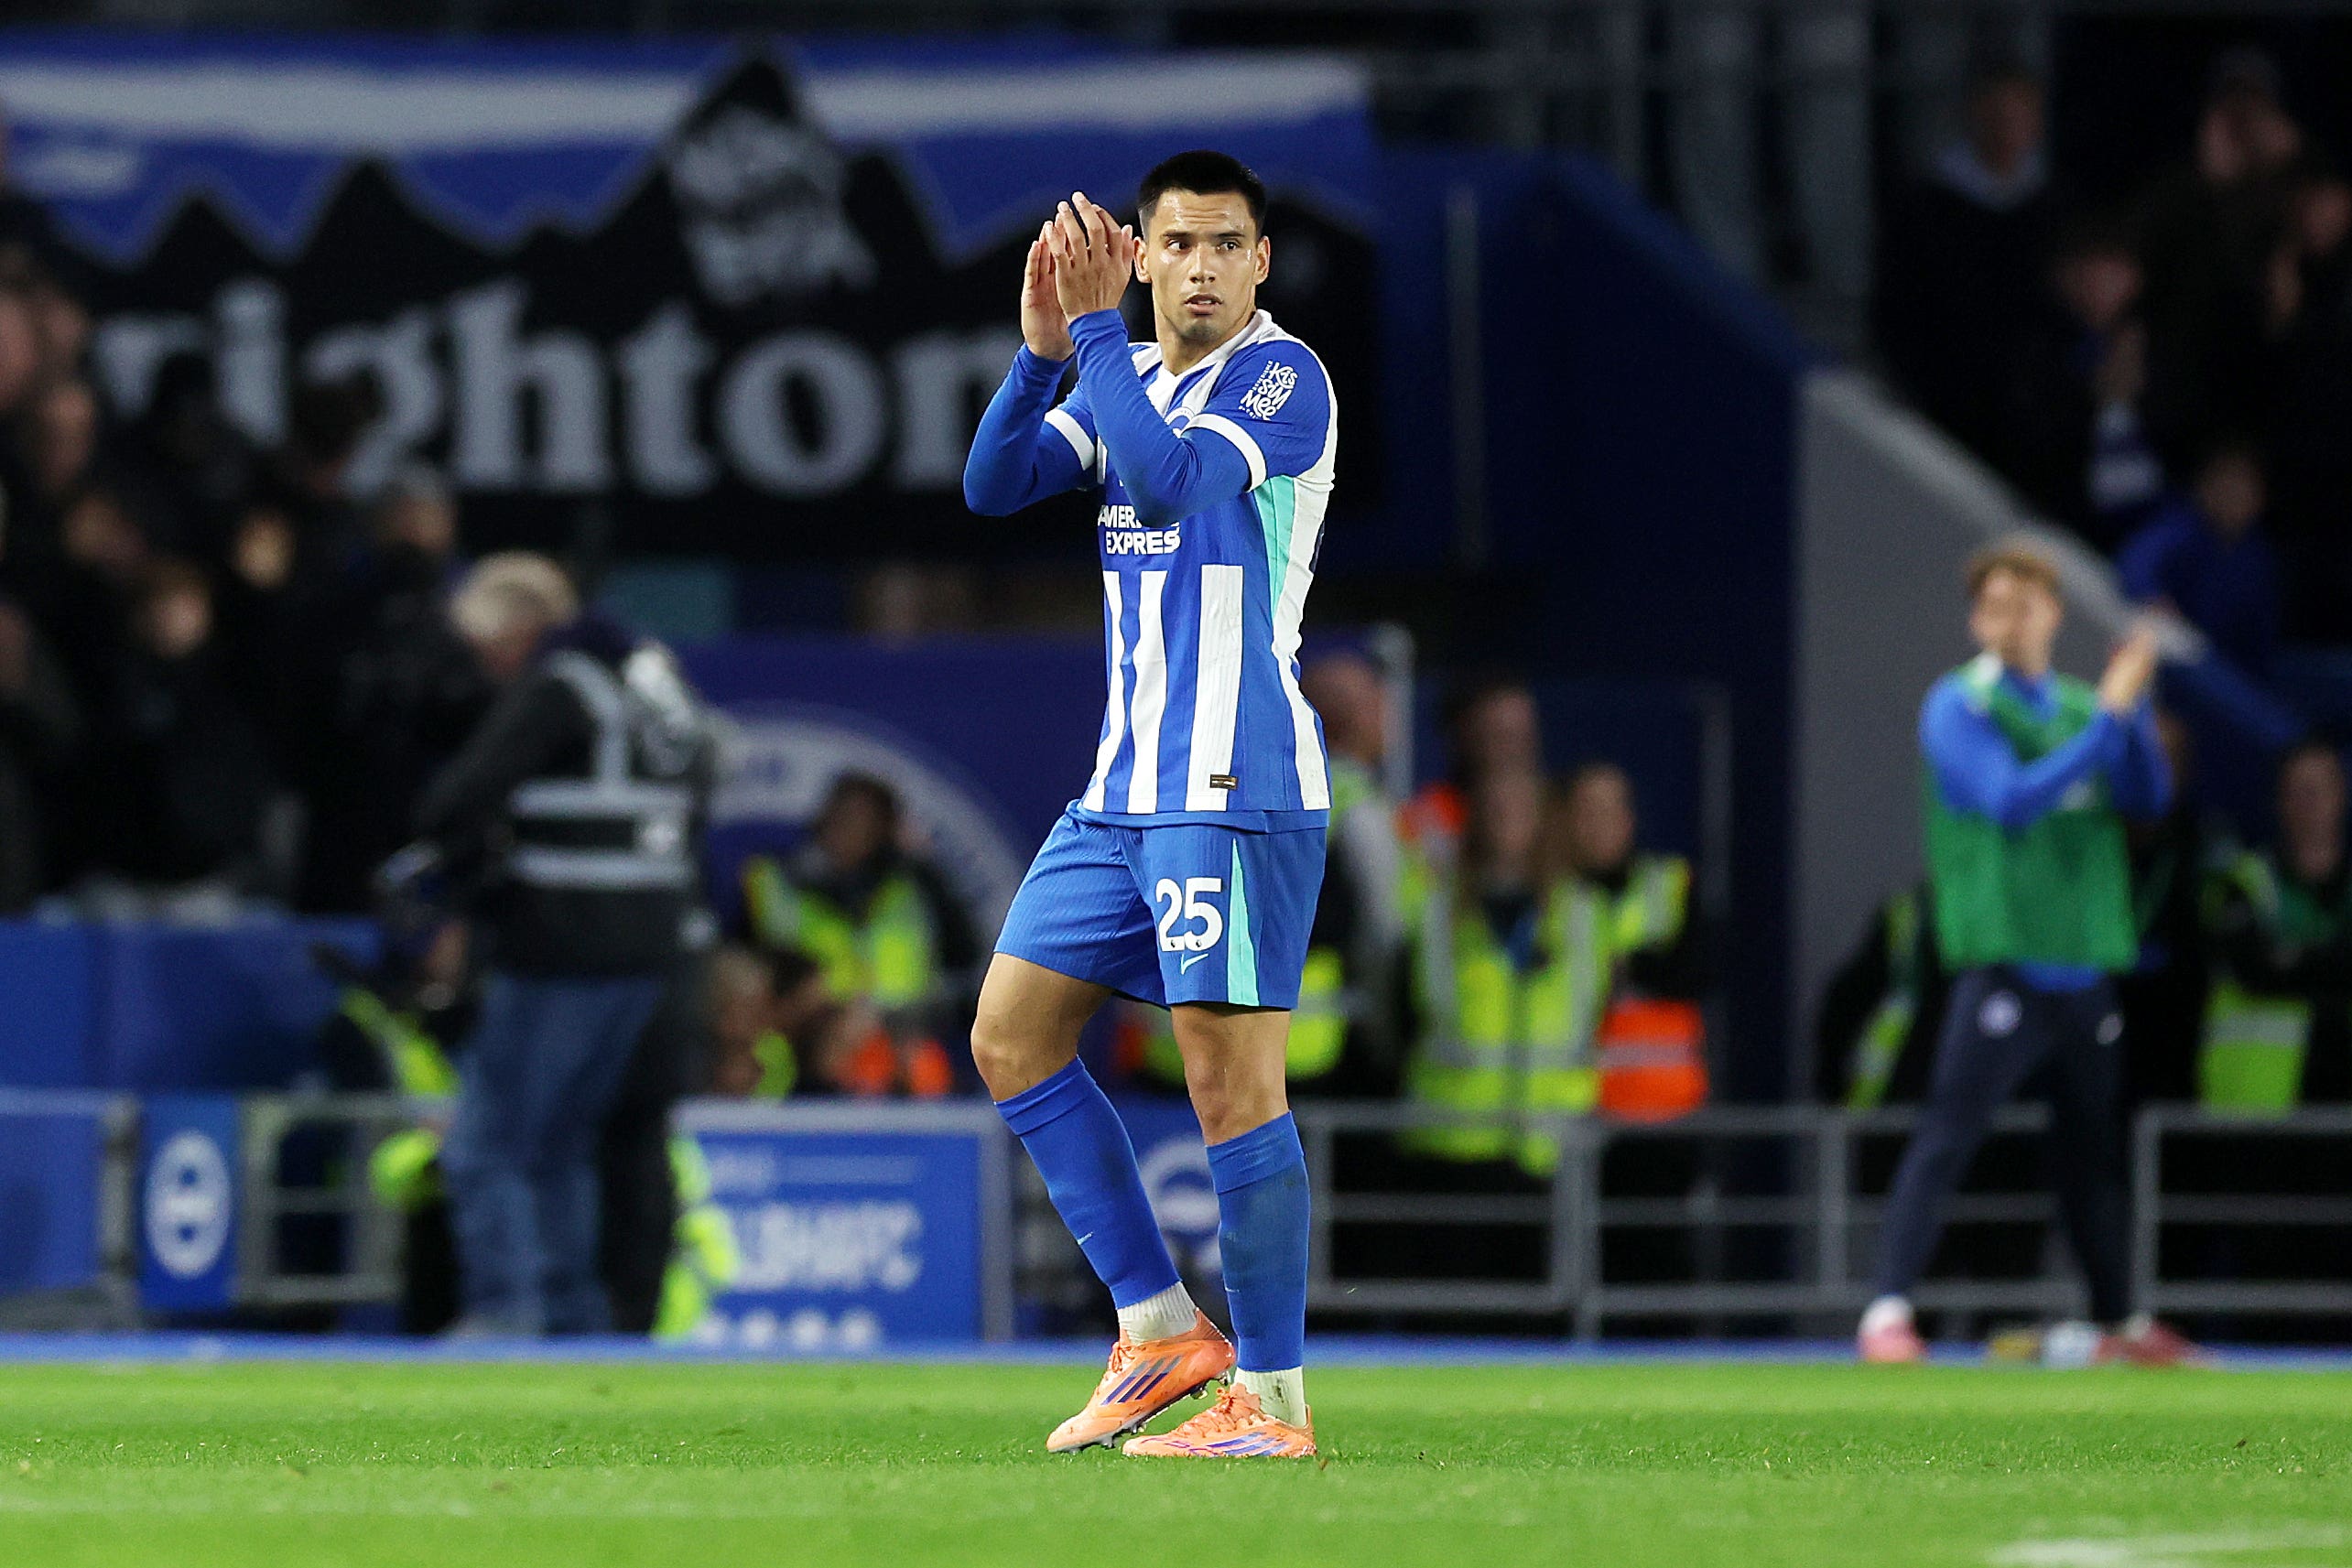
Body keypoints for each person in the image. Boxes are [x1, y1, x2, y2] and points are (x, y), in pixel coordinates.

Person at [961, 150, 1333, 1458]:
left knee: (1233, 1090)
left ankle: (1271, 1402)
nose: (1201, 267)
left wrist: (1099, 336)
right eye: (1177, 244)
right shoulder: (1134, 374)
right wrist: (1037, 356)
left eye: (1226, 244)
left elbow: (1171, 481)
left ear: (1261, 260)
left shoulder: (1284, 378)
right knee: (1010, 1037)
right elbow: (993, 485)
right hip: (1121, 794)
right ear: (1145, 248)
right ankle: (1160, 1326)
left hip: (1233, 785)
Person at [1859, 537, 2195, 1367]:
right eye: (1994, 605)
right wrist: (2114, 716)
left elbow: (2148, 797)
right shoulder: (1958, 704)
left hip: (2082, 965)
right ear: (1976, 619)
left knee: (2092, 1154)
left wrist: (2136, 713)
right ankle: (1886, 1312)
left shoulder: (2083, 705)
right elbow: (2009, 801)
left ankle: (2119, 1322)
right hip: (2005, 962)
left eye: (2025, 603)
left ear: (2052, 611)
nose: (2009, 620)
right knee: (1950, 1133)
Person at [388, 552, 715, 1337]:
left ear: (523, 627)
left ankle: (504, 1309)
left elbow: (458, 797)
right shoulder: (651, 682)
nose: (490, 666)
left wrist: (471, 873)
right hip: (652, 948)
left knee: (487, 1142)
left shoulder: (563, 683)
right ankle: (572, 1316)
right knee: (564, 1143)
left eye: (490, 645)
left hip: (563, 941)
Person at [738, 771, 975, 1098]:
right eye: (841, 817)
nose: (847, 831)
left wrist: (882, 1011)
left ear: (886, 829)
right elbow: (752, 968)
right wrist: (815, 1000)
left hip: (902, 1033)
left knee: (913, 1059)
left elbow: (964, 974)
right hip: (795, 1031)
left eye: (864, 820)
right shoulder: (782, 879)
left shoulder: (917, 887)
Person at [2198, 740, 2352, 1114]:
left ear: (2341, 796)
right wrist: (2333, 961)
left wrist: (2293, 959)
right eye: (2298, 792)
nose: (2310, 804)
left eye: (2318, 790)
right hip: (2258, 1106)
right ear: (2279, 801)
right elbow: (2254, 969)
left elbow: (2284, 969)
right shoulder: (2242, 882)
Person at [2115, 439, 2283, 675]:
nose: (2235, 494)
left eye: (2245, 485)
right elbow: (2137, 562)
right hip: (2182, 665)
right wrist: (2153, 599)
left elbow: (2261, 640)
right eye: (2227, 482)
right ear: (2204, 486)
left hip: (2239, 672)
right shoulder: (2181, 527)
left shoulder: (2257, 557)